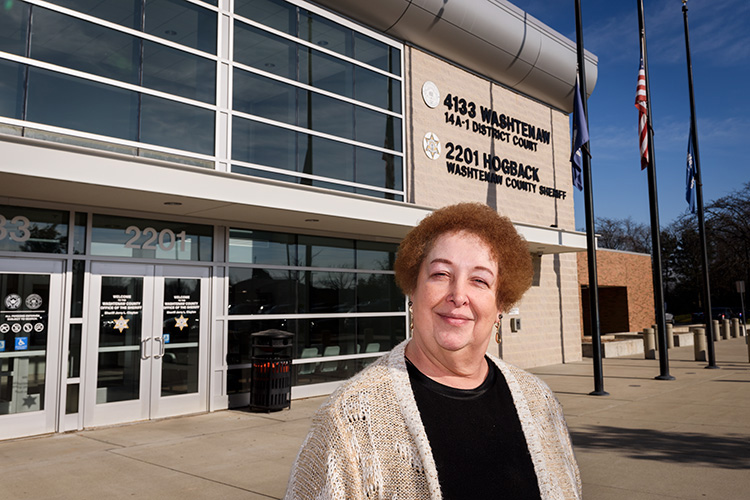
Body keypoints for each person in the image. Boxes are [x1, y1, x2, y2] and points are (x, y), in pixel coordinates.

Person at [285, 203, 581, 499]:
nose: (458, 295)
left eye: (479, 280)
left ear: (500, 304)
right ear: (412, 289)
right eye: (441, 274)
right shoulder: (347, 419)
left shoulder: (541, 403)